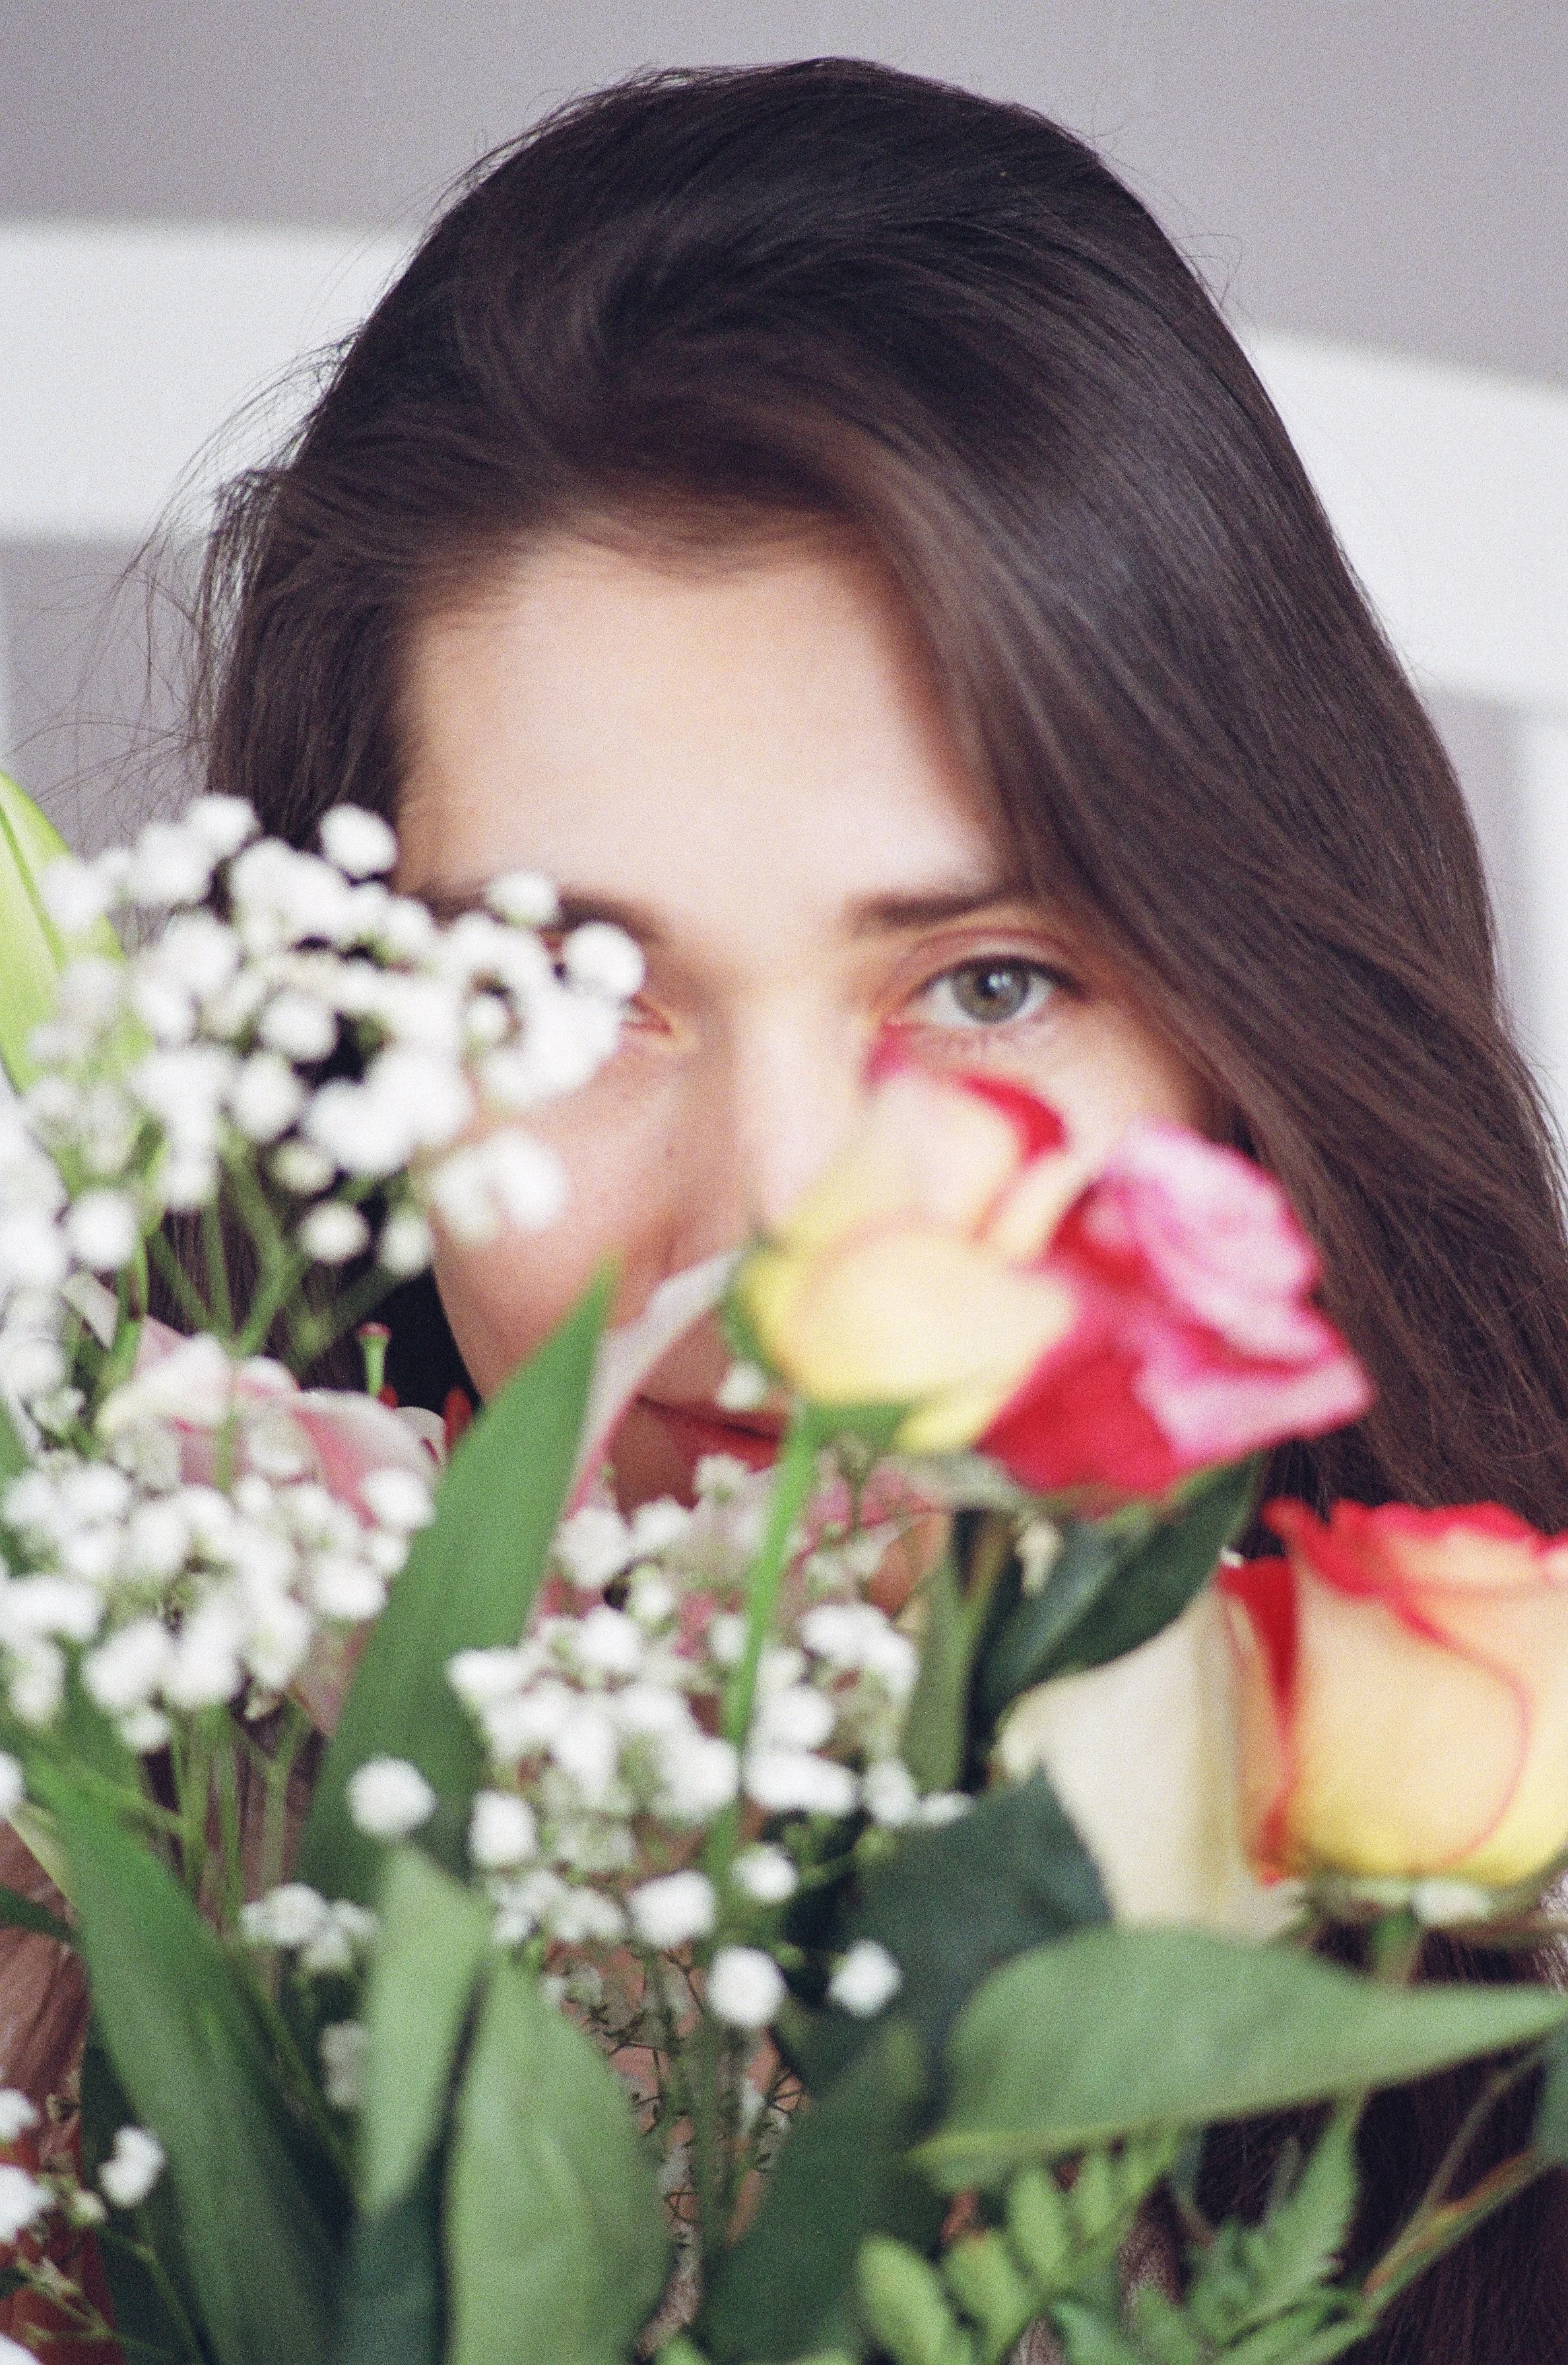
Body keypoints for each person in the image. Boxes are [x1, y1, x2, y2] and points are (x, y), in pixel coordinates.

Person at [11, 55, 1568, 2362]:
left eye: (993, 979)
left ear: (1251, 1021)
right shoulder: (87, 2018)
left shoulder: (1492, 2086)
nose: (781, 1237)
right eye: (565, 985)